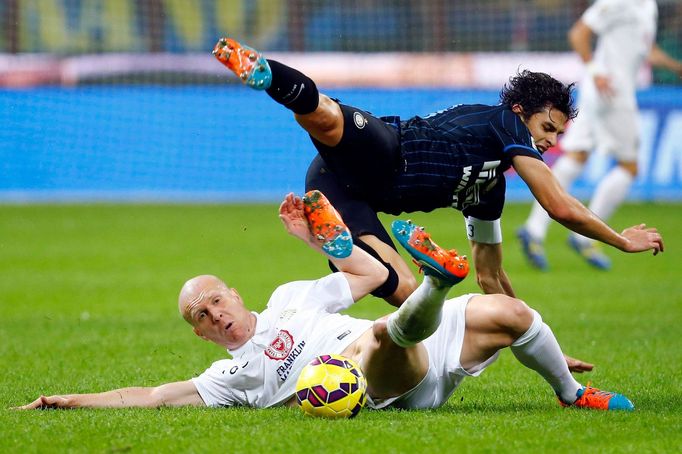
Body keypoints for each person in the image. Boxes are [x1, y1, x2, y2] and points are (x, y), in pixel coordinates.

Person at [15, 191, 633, 412]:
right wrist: (68, 399)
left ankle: (573, 396)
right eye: (200, 316)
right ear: (201, 335)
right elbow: (150, 397)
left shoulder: (290, 296)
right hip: (384, 381)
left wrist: (321, 239)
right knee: (382, 337)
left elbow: (363, 275)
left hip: (407, 334)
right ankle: (439, 283)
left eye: (214, 299)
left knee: (513, 315)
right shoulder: (230, 376)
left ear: (235, 294)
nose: (213, 313)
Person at [211, 37, 664, 308]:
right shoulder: (503, 121)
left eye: (557, 135)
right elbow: (558, 206)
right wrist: (621, 241)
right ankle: (268, 76)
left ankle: (330, 242)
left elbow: (490, 277)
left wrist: (526, 333)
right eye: (547, 127)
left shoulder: (488, 190)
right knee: (326, 118)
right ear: (521, 112)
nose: (549, 141)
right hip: (386, 150)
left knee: (405, 291)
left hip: (348, 197)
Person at [518, 0, 681, 271]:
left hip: (605, 92)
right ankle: (584, 238)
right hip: (610, 91)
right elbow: (579, 33)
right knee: (629, 167)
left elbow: (646, 50)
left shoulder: (648, 6)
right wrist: (596, 72)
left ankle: (534, 230)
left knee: (577, 156)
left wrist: (675, 67)